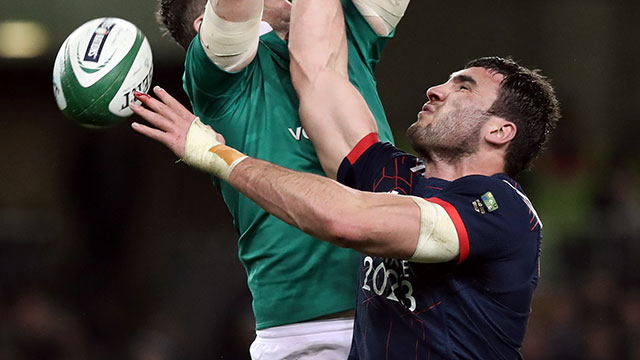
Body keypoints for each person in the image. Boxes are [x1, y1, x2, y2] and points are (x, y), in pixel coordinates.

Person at [132, 0, 560, 358]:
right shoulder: (395, 173)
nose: (435, 89)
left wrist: (219, 156)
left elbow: (345, 220)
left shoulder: (501, 210)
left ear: (500, 131)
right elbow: (318, 74)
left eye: (463, 88)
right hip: (301, 332)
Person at [152, 0, 410, 358]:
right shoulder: (217, 77)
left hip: (400, 319)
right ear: (205, 24)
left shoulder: (345, 36)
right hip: (307, 333)